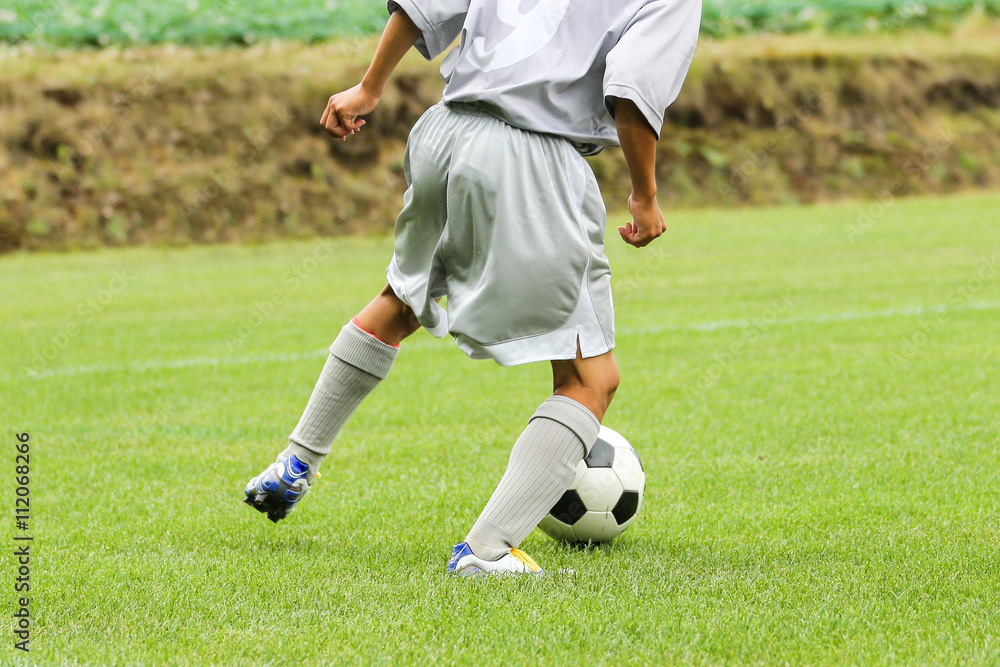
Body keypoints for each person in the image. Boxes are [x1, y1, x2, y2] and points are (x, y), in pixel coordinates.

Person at [244, 0, 702, 576]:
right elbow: (632, 90)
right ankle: (487, 550)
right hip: (531, 156)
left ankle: (295, 461)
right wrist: (645, 195)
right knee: (590, 378)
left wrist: (368, 88)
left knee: (401, 301)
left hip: (445, 134)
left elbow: (425, 4)